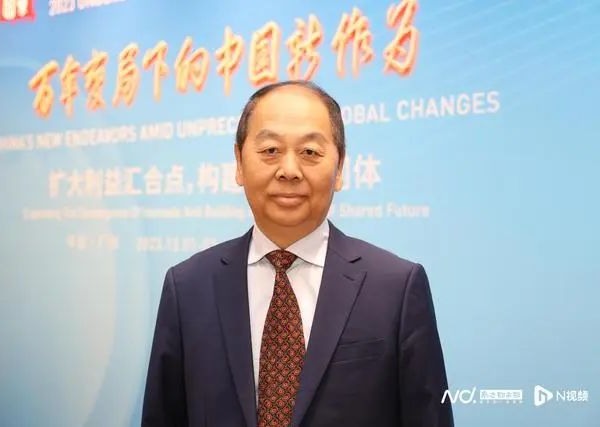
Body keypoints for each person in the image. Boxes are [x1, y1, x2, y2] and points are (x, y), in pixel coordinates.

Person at [142, 81, 453, 427]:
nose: (289, 170)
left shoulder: (396, 288)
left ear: (340, 168)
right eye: (270, 150)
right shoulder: (188, 287)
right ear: (239, 163)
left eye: (309, 152)